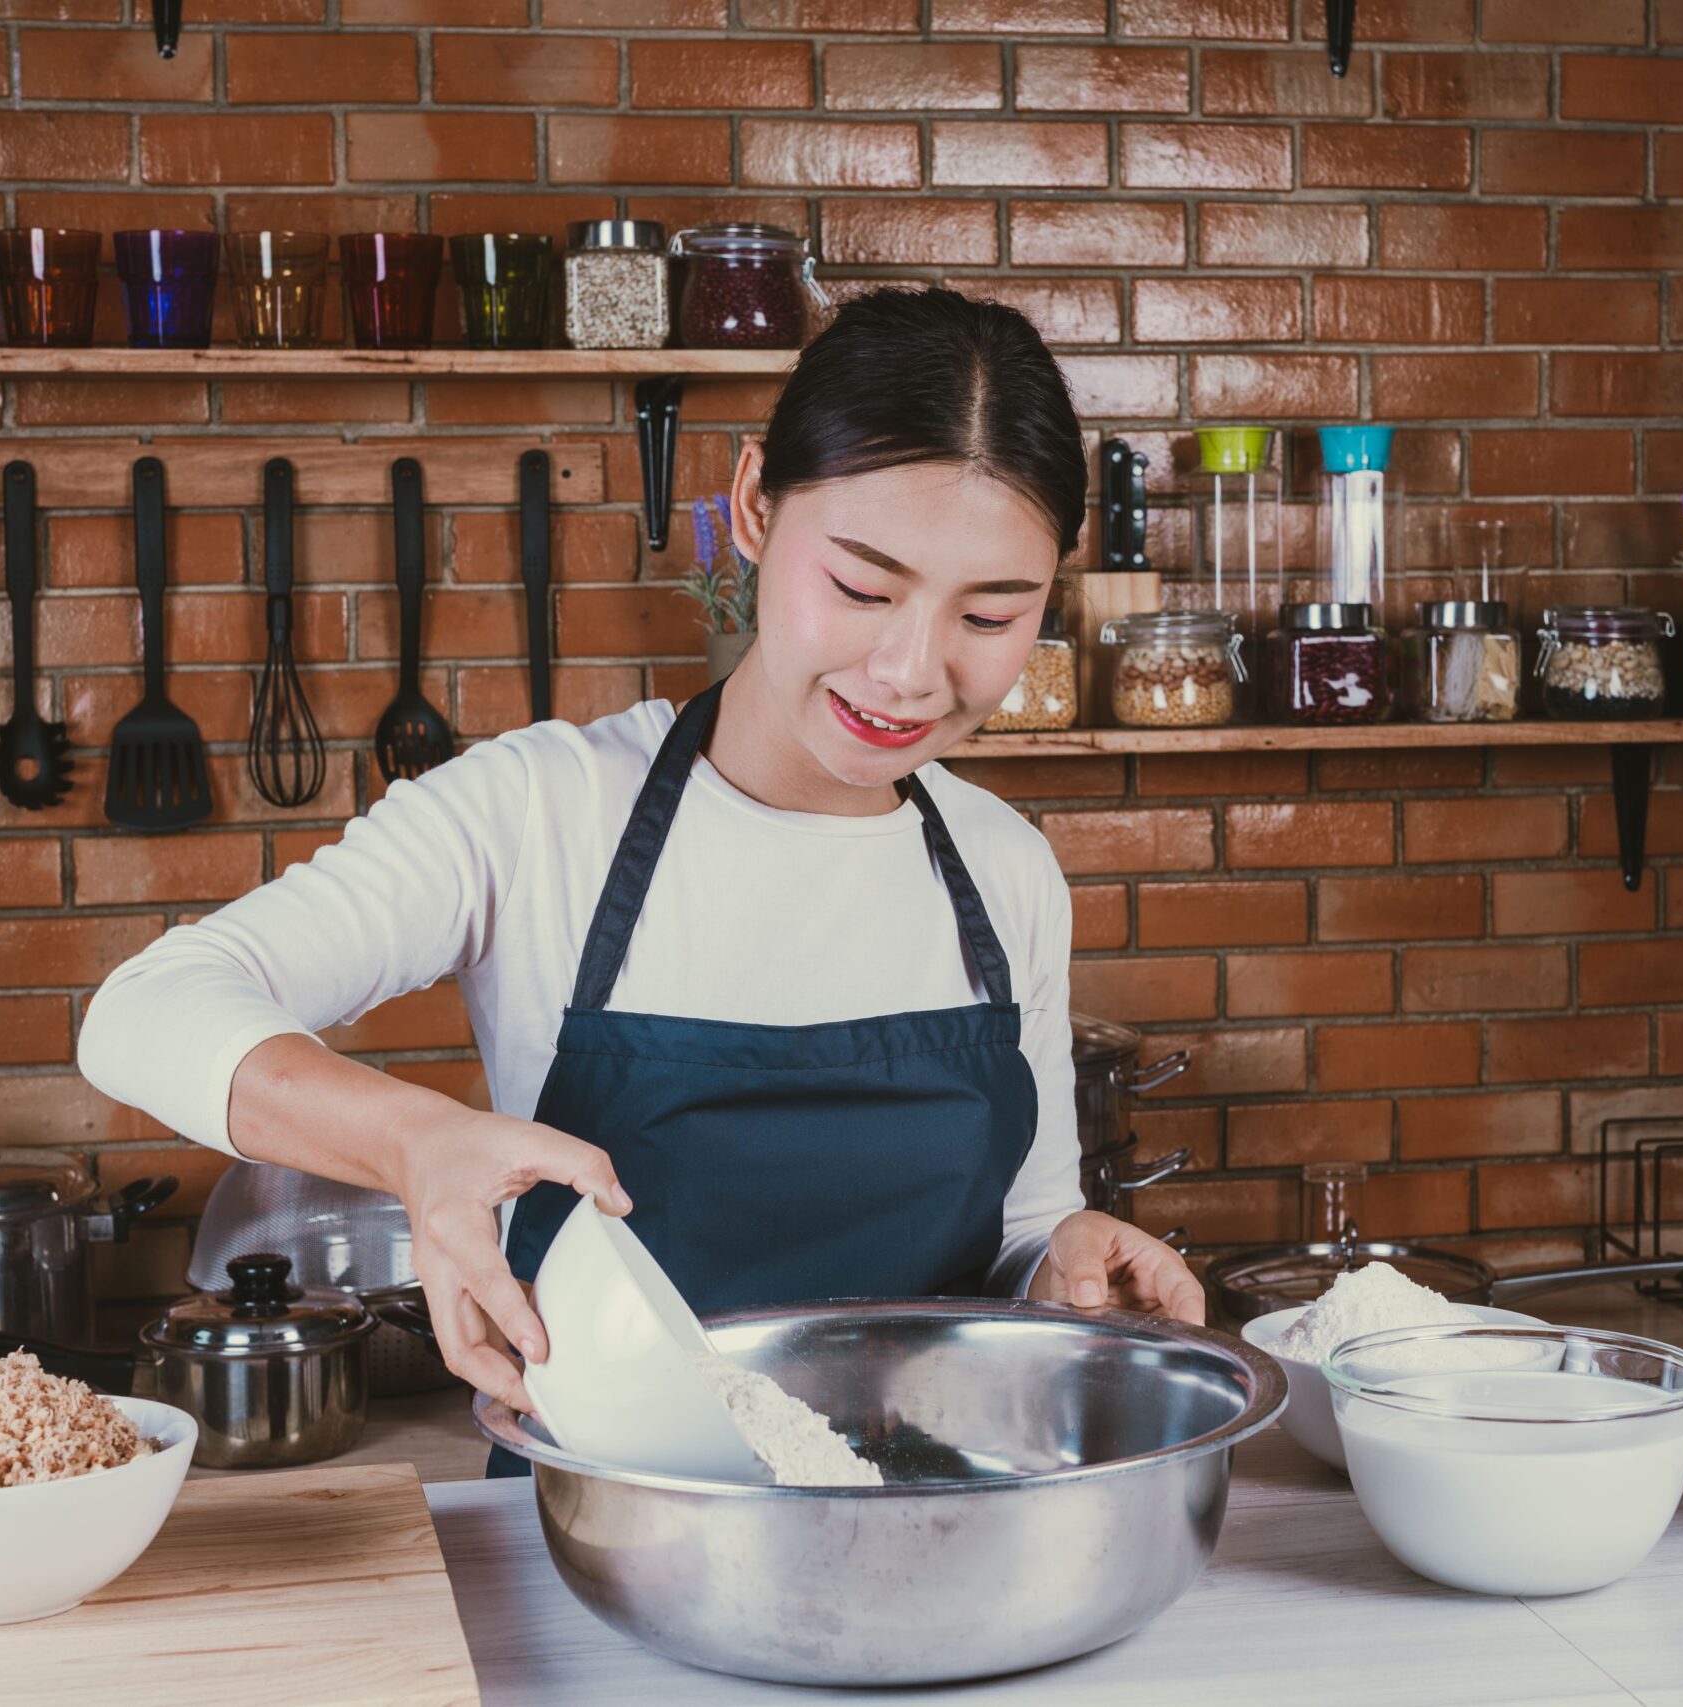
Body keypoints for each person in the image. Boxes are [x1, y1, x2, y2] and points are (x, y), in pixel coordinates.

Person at [78, 287, 1204, 1457]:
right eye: (862, 590)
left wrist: (1062, 1263)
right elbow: (142, 1012)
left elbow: (1022, 1230)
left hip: (942, 1514)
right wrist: (415, 1141)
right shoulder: (539, 812)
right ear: (754, 505)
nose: (912, 672)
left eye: (990, 616)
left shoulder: (1003, 867)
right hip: (612, 1526)